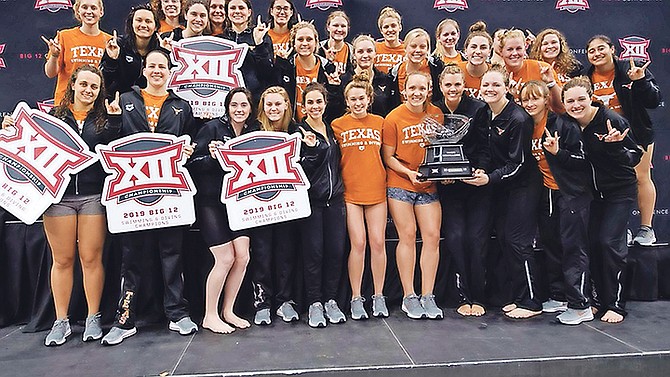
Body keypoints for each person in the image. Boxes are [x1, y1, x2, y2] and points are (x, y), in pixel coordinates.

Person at [2, 65, 120, 346]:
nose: (88, 90)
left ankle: (93, 317)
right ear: (73, 86)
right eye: (83, 85)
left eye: (94, 86)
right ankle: (61, 321)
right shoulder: (52, 118)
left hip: (92, 197)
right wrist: (9, 128)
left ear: (99, 90)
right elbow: (25, 137)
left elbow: (116, 156)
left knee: (91, 259)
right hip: (57, 199)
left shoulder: (107, 121)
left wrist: (116, 124)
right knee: (63, 260)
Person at [101, 50, 198, 345]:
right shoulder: (126, 100)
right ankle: (125, 318)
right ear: (144, 69)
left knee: (172, 255)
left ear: (170, 71)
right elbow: (107, 144)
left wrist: (190, 151)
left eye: (162, 67)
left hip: (169, 196)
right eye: (152, 66)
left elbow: (190, 141)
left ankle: (177, 313)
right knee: (132, 259)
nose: (157, 71)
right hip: (132, 195)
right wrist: (116, 121)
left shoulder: (181, 105)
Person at [464, 65, 542, 319]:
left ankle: (531, 302)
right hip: (498, 185)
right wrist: (480, 170)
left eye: (496, 85)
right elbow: (485, 151)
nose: (490, 89)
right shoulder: (484, 113)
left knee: (518, 242)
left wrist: (489, 178)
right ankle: (515, 297)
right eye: (486, 85)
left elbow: (518, 164)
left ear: (507, 87)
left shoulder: (518, 119)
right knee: (504, 241)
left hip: (521, 186)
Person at [562, 76, 642, 323]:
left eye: (581, 99)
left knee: (609, 243)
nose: (576, 105)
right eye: (570, 101)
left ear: (591, 97)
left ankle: (616, 304)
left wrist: (616, 146)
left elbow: (635, 156)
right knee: (592, 244)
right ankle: (597, 299)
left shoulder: (610, 120)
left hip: (619, 192)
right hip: (592, 194)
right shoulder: (568, 125)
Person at [520, 80, 593, 325]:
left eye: (535, 98)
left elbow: (583, 162)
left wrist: (558, 153)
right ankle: (560, 295)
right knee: (552, 245)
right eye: (525, 99)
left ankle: (581, 304)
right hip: (547, 192)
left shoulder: (563, 124)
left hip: (571, 193)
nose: (530, 103)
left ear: (546, 100)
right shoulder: (526, 126)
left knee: (573, 248)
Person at [187, 87, 256, 333]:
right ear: (227, 107)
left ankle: (228, 311)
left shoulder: (253, 131)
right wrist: (211, 158)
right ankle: (209, 315)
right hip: (211, 202)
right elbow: (191, 163)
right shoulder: (212, 128)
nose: (239, 110)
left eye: (244, 105)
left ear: (250, 108)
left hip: (238, 203)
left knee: (243, 257)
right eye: (234, 105)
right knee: (225, 258)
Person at [585, 35, 662, 246]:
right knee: (613, 184)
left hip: (636, 134)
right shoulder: (586, 77)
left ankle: (646, 229)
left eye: (601, 48)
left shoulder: (631, 69)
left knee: (640, 177)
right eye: (592, 51)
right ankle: (621, 228)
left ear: (612, 49)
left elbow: (654, 101)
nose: (597, 53)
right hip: (604, 138)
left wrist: (641, 81)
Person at [382, 71, 443, 320]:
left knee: (432, 236)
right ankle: (409, 296)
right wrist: (408, 173)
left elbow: (441, 150)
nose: (417, 93)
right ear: (404, 91)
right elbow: (388, 157)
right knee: (407, 235)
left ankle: (428, 295)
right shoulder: (393, 118)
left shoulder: (436, 114)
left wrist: (440, 173)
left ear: (429, 90)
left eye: (422, 88)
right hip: (401, 183)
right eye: (412, 88)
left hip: (428, 185)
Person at [432, 64, 491, 317]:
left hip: (476, 186)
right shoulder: (434, 111)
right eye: (448, 85)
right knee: (455, 238)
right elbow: (431, 149)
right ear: (441, 86)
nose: (453, 89)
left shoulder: (478, 109)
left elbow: (486, 147)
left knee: (476, 240)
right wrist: (440, 174)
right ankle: (462, 295)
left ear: (464, 85)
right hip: (449, 188)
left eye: (458, 84)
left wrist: (479, 170)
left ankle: (478, 296)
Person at [332, 73, 388, 320]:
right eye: (352, 99)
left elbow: (388, 156)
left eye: (361, 98)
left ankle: (378, 296)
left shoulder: (380, 122)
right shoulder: (337, 125)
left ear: (369, 98)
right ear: (347, 101)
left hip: (376, 189)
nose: (357, 103)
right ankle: (356, 297)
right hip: (350, 192)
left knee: (378, 243)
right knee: (358, 244)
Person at [296, 83, 347, 328]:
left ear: (325, 104)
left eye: (319, 102)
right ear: (303, 106)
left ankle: (331, 300)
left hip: (335, 200)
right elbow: (299, 171)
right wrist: (312, 149)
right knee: (314, 254)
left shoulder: (332, 129)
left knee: (336, 252)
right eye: (310, 103)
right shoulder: (298, 132)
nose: (315, 107)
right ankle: (314, 303)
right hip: (312, 202)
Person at [249, 86, 301, 326]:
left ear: (287, 106)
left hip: (288, 204)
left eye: (278, 104)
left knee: (285, 254)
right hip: (260, 205)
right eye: (269, 104)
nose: (273, 108)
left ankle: (284, 301)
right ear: (262, 108)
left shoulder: (297, 132)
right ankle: (262, 303)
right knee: (261, 254)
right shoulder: (253, 133)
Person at [42, 0, 111, 105]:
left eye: (93, 8)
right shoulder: (64, 36)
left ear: (101, 12)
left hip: (97, 107)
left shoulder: (110, 42)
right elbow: (50, 73)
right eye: (84, 7)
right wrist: (55, 56)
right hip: (66, 105)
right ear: (78, 11)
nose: (89, 11)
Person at [273, 21, 340, 123]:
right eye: (300, 39)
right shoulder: (286, 66)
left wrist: (333, 88)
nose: (305, 43)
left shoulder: (328, 68)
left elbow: (334, 107)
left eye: (309, 39)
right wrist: (280, 64)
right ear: (293, 43)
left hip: (318, 126)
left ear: (316, 42)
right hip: (290, 126)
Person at [219, 0, 274, 102]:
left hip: (255, 100)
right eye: (232, 8)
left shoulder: (261, 36)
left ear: (249, 12)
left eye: (241, 8)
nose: (237, 11)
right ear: (227, 12)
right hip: (226, 100)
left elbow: (268, 73)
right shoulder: (220, 40)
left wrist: (259, 44)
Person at [101, 4, 161, 97]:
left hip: (149, 105)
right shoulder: (118, 45)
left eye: (148, 21)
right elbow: (103, 82)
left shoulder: (159, 50)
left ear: (156, 26)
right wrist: (111, 60)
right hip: (118, 104)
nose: (143, 25)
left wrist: (165, 52)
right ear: (131, 23)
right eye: (139, 20)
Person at [499, 29, 562, 113]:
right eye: (510, 49)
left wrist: (551, 83)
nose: (514, 53)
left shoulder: (543, 68)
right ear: (501, 52)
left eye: (518, 49)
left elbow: (561, 108)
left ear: (525, 49)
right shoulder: (497, 75)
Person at [343, 34, 396, 117]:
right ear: (354, 55)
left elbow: (392, 109)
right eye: (360, 52)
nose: (365, 55)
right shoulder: (345, 80)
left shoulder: (386, 80)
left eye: (369, 51)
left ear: (375, 53)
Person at [389, 28, 444, 106]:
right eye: (413, 46)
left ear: (427, 49)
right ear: (405, 48)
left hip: (430, 115)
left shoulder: (436, 67)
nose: (418, 50)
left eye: (422, 47)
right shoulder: (395, 72)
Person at [458, 21, 492, 99]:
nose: (478, 52)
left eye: (483, 47)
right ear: (465, 50)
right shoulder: (456, 70)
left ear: (489, 51)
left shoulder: (496, 73)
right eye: (473, 47)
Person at [317, 10, 353, 77]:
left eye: (343, 26)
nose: (339, 29)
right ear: (328, 27)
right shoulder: (318, 49)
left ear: (348, 28)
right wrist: (327, 62)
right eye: (335, 25)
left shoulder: (353, 52)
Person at [373, 7, 404, 75]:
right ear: (381, 30)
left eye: (393, 26)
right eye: (386, 27)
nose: (390, 30)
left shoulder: (407, 50)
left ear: (400, 27)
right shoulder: (374, 48)